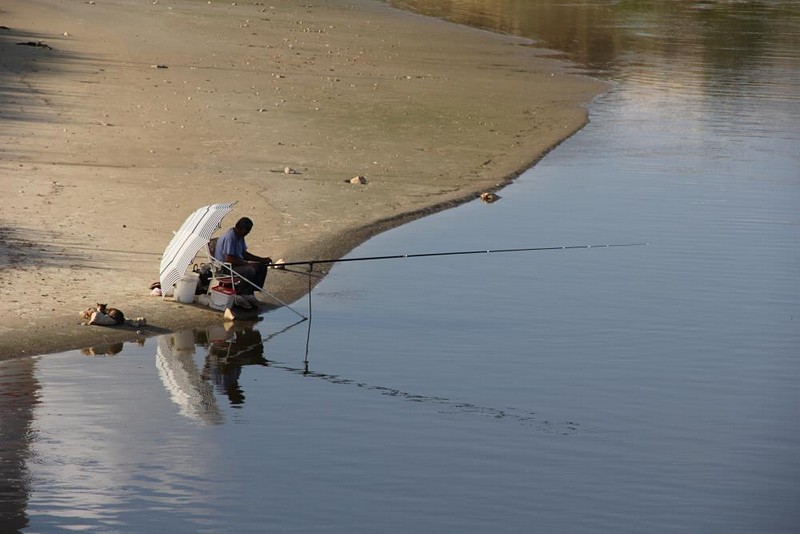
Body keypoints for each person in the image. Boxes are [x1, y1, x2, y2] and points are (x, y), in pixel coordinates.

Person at [214, 217, 272, 309]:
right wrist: (248, 264)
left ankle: (249, 293)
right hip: (225, 268)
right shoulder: (230, 237)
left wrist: (261, 260)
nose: (248, 233)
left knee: (261, 267)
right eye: (247, 231)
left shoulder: (240, 236)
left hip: (235, 264)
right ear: (240, 228)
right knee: (250, 270)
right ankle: (241, 294)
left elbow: (244, 254)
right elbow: (229, 259)